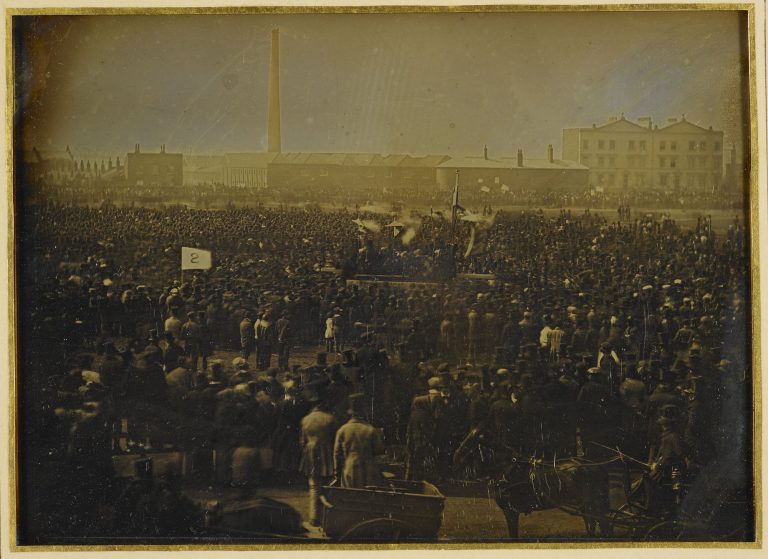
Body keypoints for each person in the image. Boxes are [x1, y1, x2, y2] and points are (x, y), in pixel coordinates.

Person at [333, 393, 385, 488]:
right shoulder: (370, 430)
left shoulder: (342, 430)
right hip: (368, 473)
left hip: (349, 472)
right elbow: (379, 450)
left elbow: (336, 455)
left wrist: (337, 475)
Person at [299, 398, 338, 526]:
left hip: (311, 454)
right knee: (328, 486)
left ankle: (314, 518)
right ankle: (327, 519)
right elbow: (335, 439)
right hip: (327, 454)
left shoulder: (305, 419)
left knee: (314, 487)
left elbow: (302, 442)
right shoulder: (331, 418)